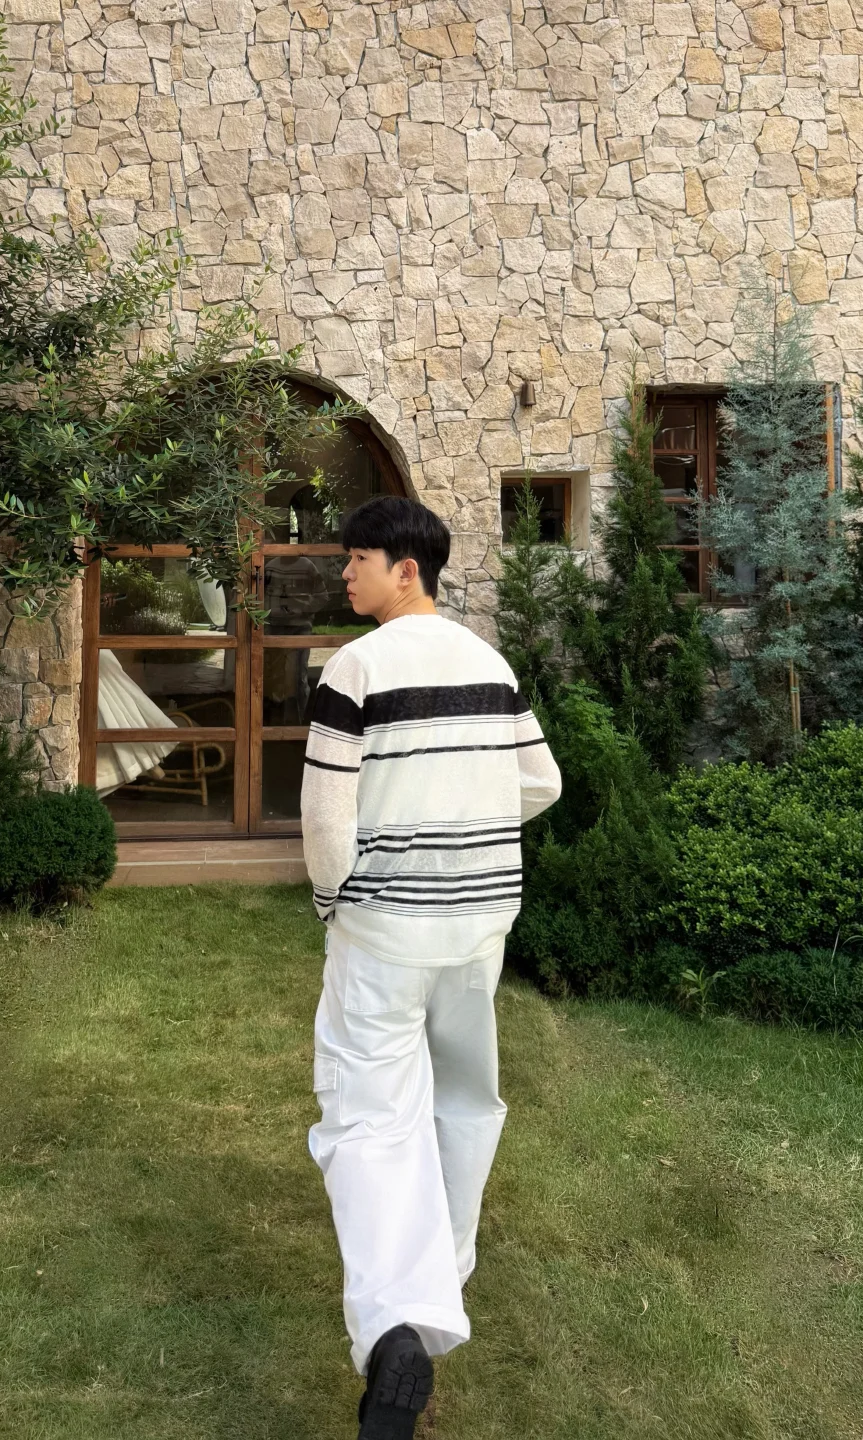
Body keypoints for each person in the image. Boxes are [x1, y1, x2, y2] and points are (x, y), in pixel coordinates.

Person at [300, 495, 562, 1439]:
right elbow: (541, 782)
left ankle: (396, 1326)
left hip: (384, 929)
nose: (344, 573)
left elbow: (327, 816)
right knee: (464, 1101)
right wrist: (466, 829)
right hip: (479, 926)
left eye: (357, 558)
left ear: (407, 568)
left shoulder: (357, 666)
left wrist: (332, 898)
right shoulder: (491, 663)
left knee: (370, 1117)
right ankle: (439, 1282)